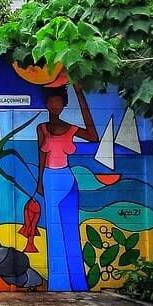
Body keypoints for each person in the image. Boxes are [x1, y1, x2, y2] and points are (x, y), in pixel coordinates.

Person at [26, 83, 98, 291]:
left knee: (70, 231)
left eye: (58, 101)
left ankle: (78, 283)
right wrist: (39, 182)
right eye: (51, 101)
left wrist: (80, 94)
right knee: (54, 231)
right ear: (47, 104)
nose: (55, 105)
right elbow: (41, 156)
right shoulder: (41, 129)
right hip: (49, 179)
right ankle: (58, 283)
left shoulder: (71, 128)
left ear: (64, 105)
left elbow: (93, 135)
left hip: (67, 181)